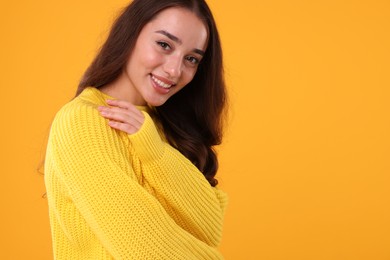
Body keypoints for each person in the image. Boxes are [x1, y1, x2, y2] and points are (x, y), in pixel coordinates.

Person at [44, 0, 228, 259]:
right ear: (130, 34)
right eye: (164, 45)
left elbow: (211, 228)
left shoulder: (165, 127)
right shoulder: (81, 122)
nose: (175, 70)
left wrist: (155, 152)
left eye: (191, 59)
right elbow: (147, 250)